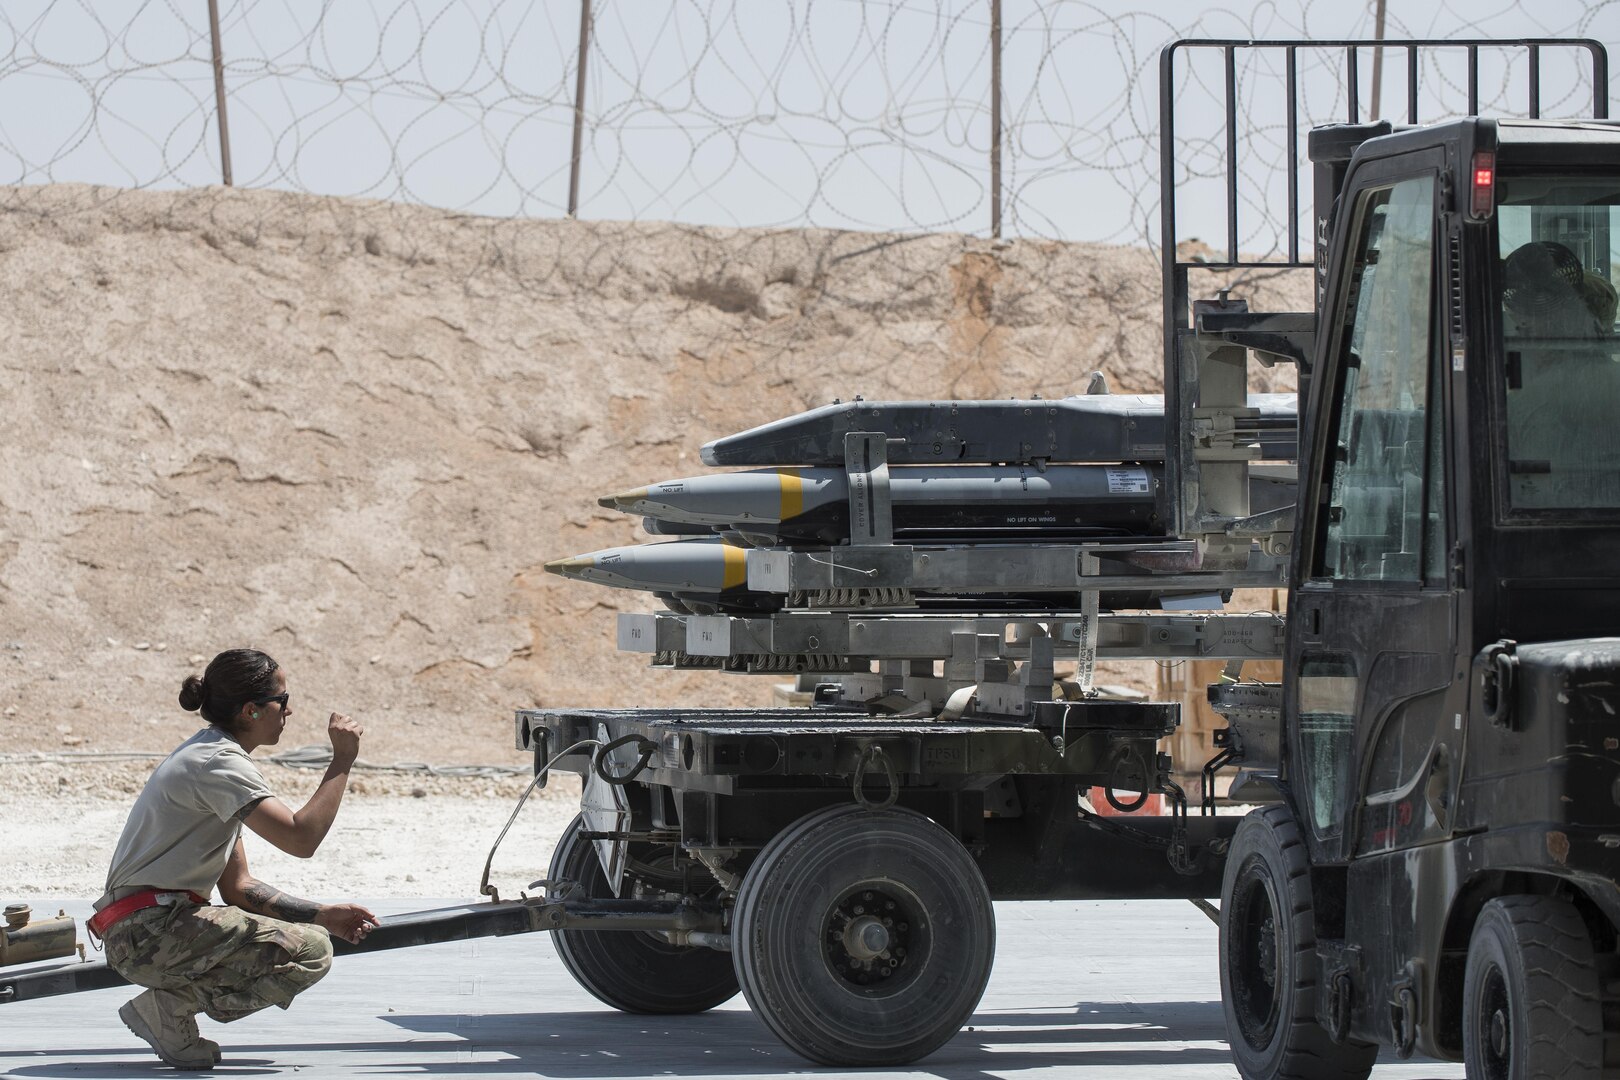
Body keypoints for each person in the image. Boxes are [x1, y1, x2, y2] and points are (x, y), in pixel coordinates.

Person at [93, 649, 380, 1069]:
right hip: (148, 932)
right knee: (310, 951)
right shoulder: (218, 763)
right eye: (282, 701)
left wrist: (322, 913)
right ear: (251, 710)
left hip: (144, 929)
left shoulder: (211, 756)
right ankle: (170, 1009)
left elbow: (239, 888)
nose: (289, 710)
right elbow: (302, 839)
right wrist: (342, 760)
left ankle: (169, 1008)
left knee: (309, 936)